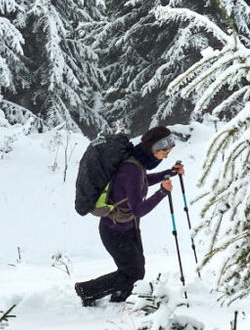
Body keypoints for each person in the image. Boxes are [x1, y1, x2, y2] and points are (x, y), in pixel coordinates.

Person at [74, 126, 183, 306]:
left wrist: (168, 173)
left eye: (169, 151)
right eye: (164, 150)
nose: (167, 155)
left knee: (135, 268)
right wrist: (162, 192)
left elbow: (142, 182)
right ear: (152, 148)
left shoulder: (137, 163)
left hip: (127, 226)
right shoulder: (131, 168)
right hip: (114, 229)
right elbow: (138, 209)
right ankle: (87, 290)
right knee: (133, 272)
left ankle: (119, 299)